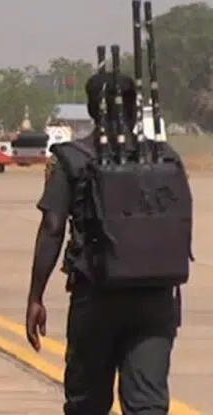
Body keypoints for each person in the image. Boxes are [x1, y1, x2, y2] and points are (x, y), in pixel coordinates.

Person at [25, 72, 190, 415]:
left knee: (87, 402)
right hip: (155, 298)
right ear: (134, 109)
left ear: (90, 108)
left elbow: (53, 227)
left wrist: (36, 296)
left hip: (97, 297)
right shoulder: (165, 157)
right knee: (148, 404)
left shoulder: (71, 158)